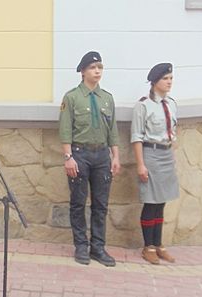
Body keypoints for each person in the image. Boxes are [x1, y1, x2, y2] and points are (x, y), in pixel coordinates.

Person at [59, 51, 121, 266]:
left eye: (100, 67)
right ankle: (81, 246)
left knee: (100, 205)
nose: (97, 71)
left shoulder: (107, 99)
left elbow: (112, 130)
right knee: (78, 202)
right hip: (80, 155)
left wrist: (115, 156)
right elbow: (65, 129)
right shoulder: (72, 97)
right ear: (83, 71)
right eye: (93, 67)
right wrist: (68, 157)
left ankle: (98, 248)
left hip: (102, 156)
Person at [130, 62, 180, 265]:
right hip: (151, 155)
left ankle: (159, 245)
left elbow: (172, 132)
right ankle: (148, 246)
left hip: (166, 155)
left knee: (162, 203)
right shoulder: (143, 105)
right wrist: (141, 164)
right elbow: (136, 137)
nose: (169, 82)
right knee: (150, 202)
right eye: (165, 79)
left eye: (170, 79)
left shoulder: (172, 103)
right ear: (154, 82)